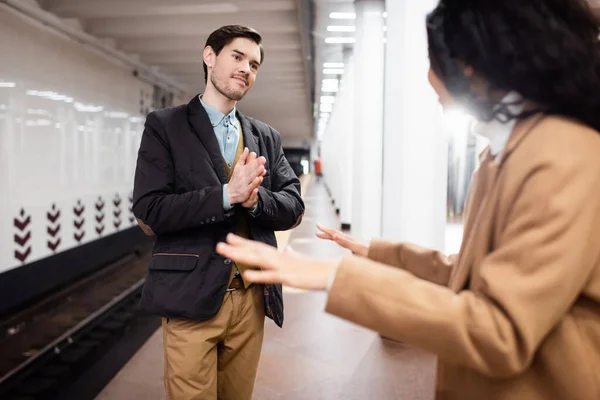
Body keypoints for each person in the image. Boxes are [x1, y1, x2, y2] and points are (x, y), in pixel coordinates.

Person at [215, 1, 600, 399]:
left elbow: (500, 331)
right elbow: (469, 273)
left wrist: (334, 278)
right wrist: (379, 253)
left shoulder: (563, 155)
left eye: (437, 59)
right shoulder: (503, 152)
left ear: (475, 63)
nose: (430, 77)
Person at [132, 25, 305, 400]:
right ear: (209, 57)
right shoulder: (166, 126)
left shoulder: (266, 137)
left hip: (251, 300)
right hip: (190, 299)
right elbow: (150, 208)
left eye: (254, 65)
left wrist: (257, 202)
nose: (247, 69)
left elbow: (293, 205)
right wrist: (227, 195)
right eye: (237, 57)